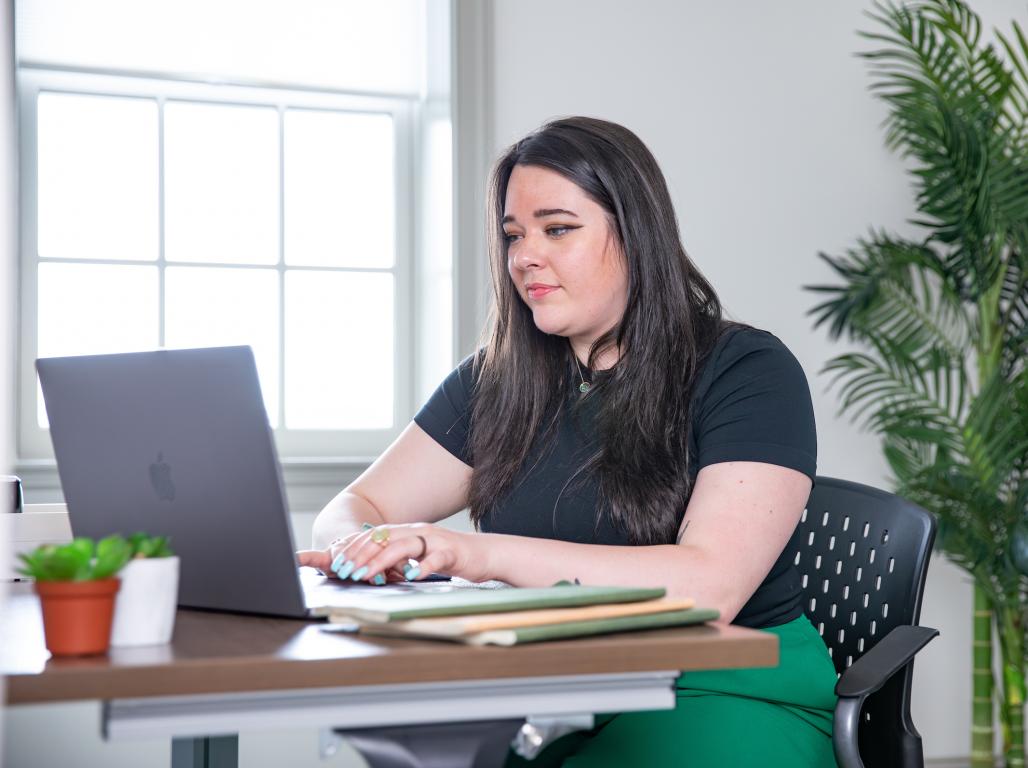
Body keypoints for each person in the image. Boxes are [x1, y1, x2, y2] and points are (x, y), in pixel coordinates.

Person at [297, 116, 838, 767]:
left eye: (558, 229)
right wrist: (369, 551)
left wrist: (473, 554)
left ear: (635, 234)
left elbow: (709, 586)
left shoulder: (746, 370)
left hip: (725, 689)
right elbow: (354, 510)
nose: (525, 256)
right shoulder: (496, 381)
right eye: (513, 235)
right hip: (557, 690)